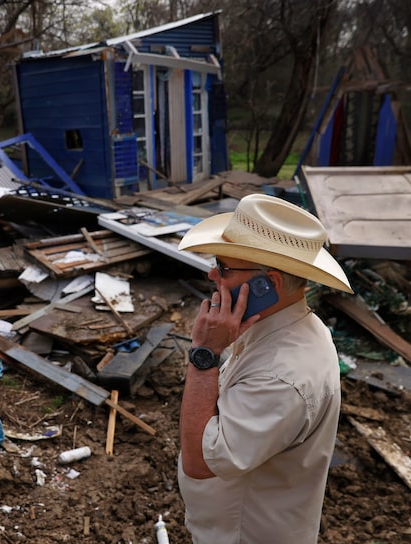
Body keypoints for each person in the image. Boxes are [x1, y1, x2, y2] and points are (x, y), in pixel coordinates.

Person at [176, 193, 353, 544]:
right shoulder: (285, 328)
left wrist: (205, 355)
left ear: (267, 284)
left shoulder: (282, 376)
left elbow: (200, 463)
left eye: (224, 267)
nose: (213, 273)